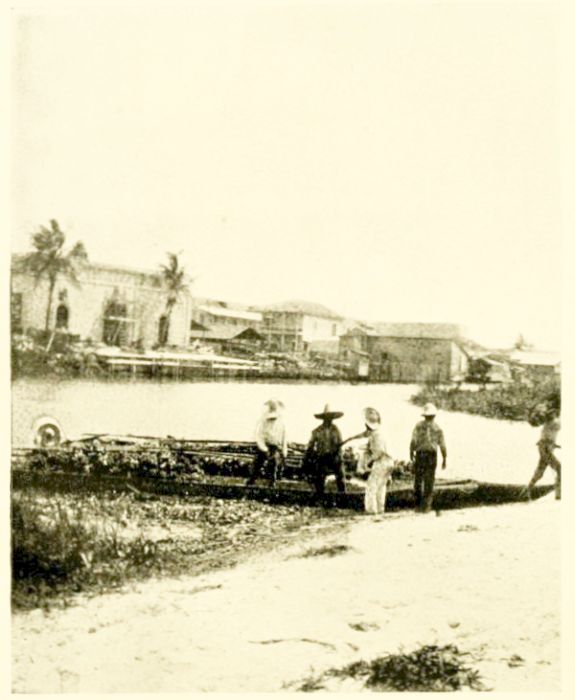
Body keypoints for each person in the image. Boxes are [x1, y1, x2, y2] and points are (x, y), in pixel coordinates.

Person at [344, 407, 394, 514]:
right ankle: (380, 509)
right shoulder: (380, 432)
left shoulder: (375, 436)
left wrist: (369, 462)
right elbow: (364, 434)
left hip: (381, 461)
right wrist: (350, 438)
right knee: (381, 486)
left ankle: (371, 510)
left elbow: (378, 452)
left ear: (367, 424)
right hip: (389, 461)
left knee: (372, 486)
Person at [409, 403, 447, 513]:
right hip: (431, 455)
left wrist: (411, 452)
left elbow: (413, 441)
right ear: (434, 416)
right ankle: (427, 507)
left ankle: (417, 506)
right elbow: (442, 446)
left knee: (418, 480)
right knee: (429, 481)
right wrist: (444, 459)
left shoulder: (418, 426)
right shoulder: (438, 428)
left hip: (420, 454)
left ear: (424, 416)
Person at [303, 404, 346, 498]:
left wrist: (338, 456)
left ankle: (343, 497)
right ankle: (320, 496)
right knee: (319, 477)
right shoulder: (317, 431)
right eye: (327, 417)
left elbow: (340, 444)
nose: (329, 419)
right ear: (323, 418)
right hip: (322, 458)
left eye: (330, 417)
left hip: (335, 458)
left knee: (341, 476)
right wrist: (308, 457)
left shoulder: (336, 430)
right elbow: (310, 445)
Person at [522, 405, 561, 500]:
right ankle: (558, 494)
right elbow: (546, 436)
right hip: (545, 448)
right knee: (559, 468)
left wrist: (554, 445)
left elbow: (548, 435)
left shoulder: (551, 422)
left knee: (541, 471)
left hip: (545, 447)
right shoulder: (552, 422)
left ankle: (527, 490)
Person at [246, 398, 287, 487]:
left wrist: (284, 451)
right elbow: (259, 437)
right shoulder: (263, 422)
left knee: (274, 463)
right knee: (257, 462)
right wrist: (264, 449)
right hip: (264, 446)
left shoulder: (281, 423)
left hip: (275, 447)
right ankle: (251, 480)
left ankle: (273, 482)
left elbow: (284, 438)